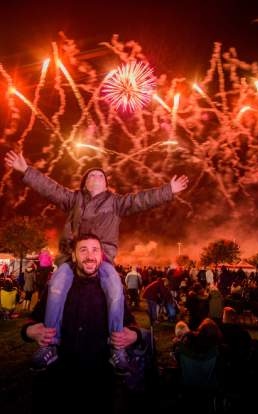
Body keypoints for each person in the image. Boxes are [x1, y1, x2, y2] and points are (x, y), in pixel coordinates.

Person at [5, 150, 188, 371]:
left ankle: (117, 346)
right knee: (56, 285)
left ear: (106, 184)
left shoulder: (116, 203)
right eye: (91, 175)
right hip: (72, 260)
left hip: (105, 260)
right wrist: (26, 170)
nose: (97, 177)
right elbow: (50, 188)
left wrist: (169, 190)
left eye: (101, 175)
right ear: (84, 183)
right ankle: (49, 344)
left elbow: (141, 200)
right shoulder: (74, 199)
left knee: (114, 287)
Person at [21, 234, 144, 413]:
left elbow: (130, 323)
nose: (89, 255)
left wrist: (134, 335)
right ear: (74, 256)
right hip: (59, 378)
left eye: (95, 250)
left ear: (101, 255)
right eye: (83, 250)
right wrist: (30, 331)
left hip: (99, 379)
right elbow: (34, 320)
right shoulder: (57, 287)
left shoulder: (111, 289)